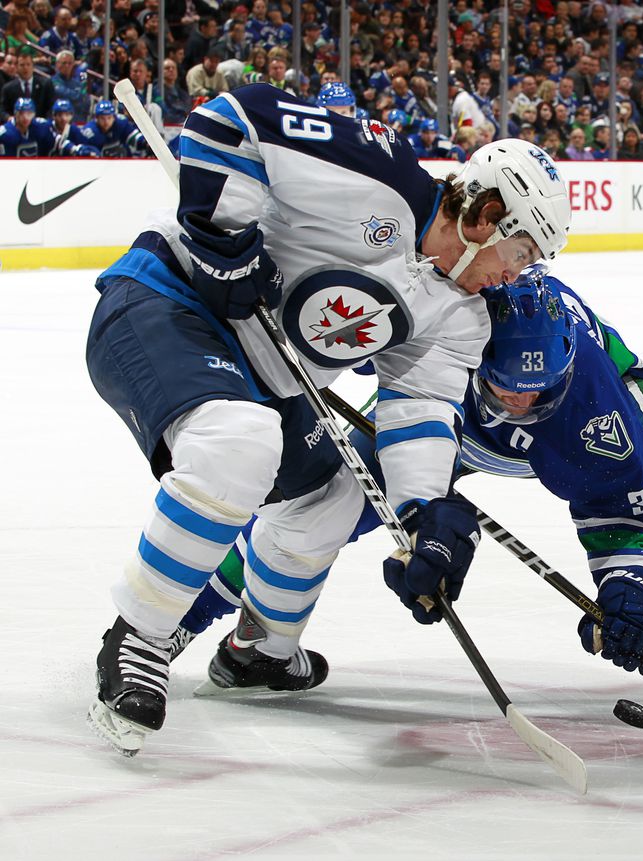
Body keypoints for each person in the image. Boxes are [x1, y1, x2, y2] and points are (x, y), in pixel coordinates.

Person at [84, 82, 571, 757]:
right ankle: (138, 635)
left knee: (333, 491)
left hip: (269, 382)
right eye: (520, 255)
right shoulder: (379, 174)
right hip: (164, 304)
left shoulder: (460, 315)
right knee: (242, 444)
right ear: (486, 215)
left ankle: (261, 650)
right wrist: (221, 236)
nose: (515, 276)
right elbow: (229, 119)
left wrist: (425, 512)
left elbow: (419, 411)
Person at [168, 266, 643, 702]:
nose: (518, 407)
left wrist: (627, 586)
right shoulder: (446, 329)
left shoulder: (595, 405)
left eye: (534, 394)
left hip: (582, 432)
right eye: (507, 390)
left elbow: (614, 503)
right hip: (443, 409)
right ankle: (187, 625)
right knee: (320, 501)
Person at [1, 95, 94, 155]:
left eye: (29, 113)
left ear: (34, 114)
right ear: (15, 114)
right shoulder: (4, 132)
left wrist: (74, 149)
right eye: (21, 113)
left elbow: (58, 141)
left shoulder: (39, 126)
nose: (25, 117)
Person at [79, 100, 148, 157]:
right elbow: (82, 151)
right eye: (102, 118)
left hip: (124, 164)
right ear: (96, 118)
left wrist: (145, 143)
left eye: (109, 118)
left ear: (114, 117)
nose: (106, 122)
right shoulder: (89, 131)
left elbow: (135, 138)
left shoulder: (121, 123)